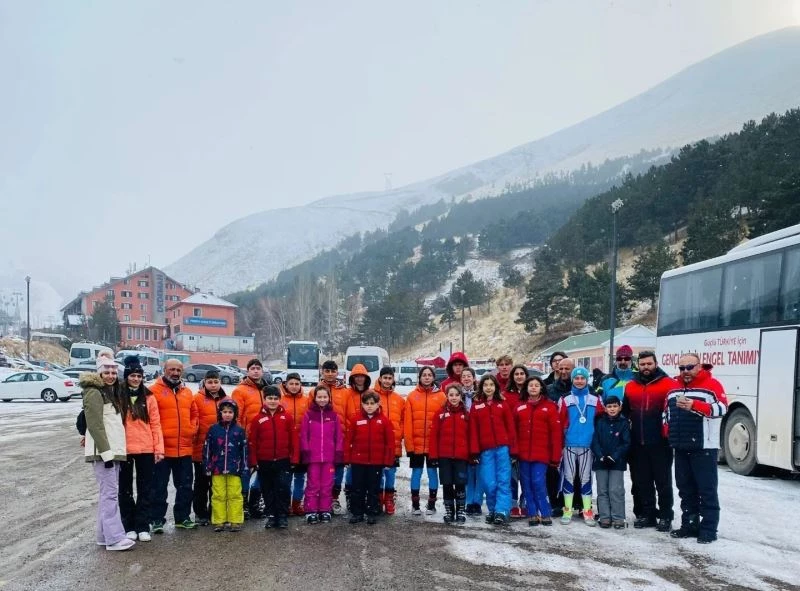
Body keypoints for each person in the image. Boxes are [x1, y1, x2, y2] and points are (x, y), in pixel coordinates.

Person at [664, 355, 728, 544]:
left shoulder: (712, 384)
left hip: (704, 447)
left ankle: (709, 528)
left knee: (706, 489)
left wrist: (695, 405)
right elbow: (665, 412)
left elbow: (723, 409)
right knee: (685, 489)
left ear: (699, 366)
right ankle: (689, 525)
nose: (685, 371)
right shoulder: (673, 387)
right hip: (681, 446)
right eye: (682, 368)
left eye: (689, 367)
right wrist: (668, 429)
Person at [622, 351, 679, 531]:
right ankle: (648, 514)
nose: (646, 367)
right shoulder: (631, 386)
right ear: (638, 365)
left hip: (661, 442)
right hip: (638, 442)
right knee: (642, 481)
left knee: (663, 482)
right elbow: (624, 412)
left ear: (656, 363)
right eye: (643, 364)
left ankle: (665, 515)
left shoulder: (669, 384)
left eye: (649, 364)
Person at [82, 357, 134, 551]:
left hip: (113, 452)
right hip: (105, 454)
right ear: (99, 373)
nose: (111, 376)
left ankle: (103, 536)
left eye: (113, 372)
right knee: (110, 495)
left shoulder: (110, 392)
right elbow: (95, 425)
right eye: (106, 372)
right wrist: (106, 453)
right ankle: (114, 539)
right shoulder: (94, 392)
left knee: (108, 494)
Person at [119, 356, 164, 542]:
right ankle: (128, 525)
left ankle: (142, 525)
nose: (136, 379)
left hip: (146, 448)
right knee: (125, 488)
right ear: (127, 376)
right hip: (124, 448)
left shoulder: (149, 396)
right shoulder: (118, 394)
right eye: (132, 375)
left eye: (139, 376)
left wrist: (158, 448)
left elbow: (155, 424)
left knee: (146, 489)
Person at [150, 359, 199, 532]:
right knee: (158, 487)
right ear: (164, 370)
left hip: (184, 449)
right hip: (162, 450)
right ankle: (156, 520)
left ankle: (183, 517)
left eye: (178, 370)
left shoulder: (187, 392)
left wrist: (192, 429)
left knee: (185, 486)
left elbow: (194, 413)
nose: (175, 372)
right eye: (172, 369)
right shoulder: (153, 391)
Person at [558, 366, 604, 526]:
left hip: (587, 445)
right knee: (569, 477)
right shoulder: (565, 399)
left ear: (587, 380)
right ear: (572, 380)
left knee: (585, 478)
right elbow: (560, 422)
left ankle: (587, 510)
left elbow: (600, 421)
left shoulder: (595, 399)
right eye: (576, 378)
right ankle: (567, 509)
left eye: (582, 378)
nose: (579, 381)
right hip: (569, 444)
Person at [469, 374, 517, 526]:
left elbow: (511, 429)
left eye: (491, 385)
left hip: (503, 449)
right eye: (486, 385)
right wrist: (474, 451)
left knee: (503, 480)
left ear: (496, 387)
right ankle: (492, 509)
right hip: (486, 451)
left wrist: (514, 450)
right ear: (481, 387)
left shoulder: (502, 404)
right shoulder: (476, 406)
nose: (488, 387)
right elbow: (473, 431)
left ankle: (501, 510)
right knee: (489, 482)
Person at [514, 376, 561, 526]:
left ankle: (545, 512)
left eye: (536, 385)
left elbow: (556, 433)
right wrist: (514, 452)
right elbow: (513, 432)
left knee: (538, 482)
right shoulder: (519, 407)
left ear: (541, 388)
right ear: (526, 388)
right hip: (523, 454)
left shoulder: (550, 407)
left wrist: (555, 456)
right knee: (526, 484)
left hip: (541, 454)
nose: (533, 388)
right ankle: (532, 513)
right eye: (530, 385)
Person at [248, 385, 295, 530]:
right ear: (265, 399)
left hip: (283, 460)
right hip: (264, 461)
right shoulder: (257, 419)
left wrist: (294, 458)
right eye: (270, 398)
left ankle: (282, 516)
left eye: (275, 398)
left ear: (279, 400)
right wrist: (254, 461)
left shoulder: (287, 418)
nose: (273, 401)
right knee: (268, 490)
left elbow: (294, 440)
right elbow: (253, 442)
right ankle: (271, 516)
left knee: (283, 488)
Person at [345, 391, 395, 525]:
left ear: (378, 404)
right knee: (357, 488)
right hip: (358, 461)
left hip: (376, 462)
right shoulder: (356, 420)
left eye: (372, 403)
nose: (369, 406)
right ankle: (357, 513)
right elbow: (348, 440)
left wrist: (388, 461)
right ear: (362, 404)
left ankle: (372, 512)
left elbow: (390, 443)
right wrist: (347, 458)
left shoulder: (384, 421)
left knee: (373, 488)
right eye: (366, 403)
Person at [403, 366, 446, 515]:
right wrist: (409, 445)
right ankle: (415, 504)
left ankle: (431, 504)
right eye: (424, 375)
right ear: (420, 377)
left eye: (429, 375)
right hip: (416, 445)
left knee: (433, 473)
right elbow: (407, 423)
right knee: (416, 473)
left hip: (433, 445)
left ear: (433, 377)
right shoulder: (411, 396)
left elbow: (444, 422)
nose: (427, 377)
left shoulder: (442, 397)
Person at [299, 385, 344, 524]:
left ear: (329, 398)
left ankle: (325, 509)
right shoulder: (308, 415)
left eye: (325, 397)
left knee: (326, 485)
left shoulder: (334, 415)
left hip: (329, 458)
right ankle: (311, 510)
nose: (322, 399)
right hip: (313, 457)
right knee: (313, 485)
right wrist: (305, 452)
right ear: (315, 398)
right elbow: (303, 435)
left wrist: (338, 453)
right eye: (320, 397)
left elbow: (339, 436)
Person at [231, 358, 269, 519]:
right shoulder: (240, 390)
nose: (255, 371)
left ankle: (255, 502)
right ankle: (243, 504)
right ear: (248, 371)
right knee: (246, 472)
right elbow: (235, 416)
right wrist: (239, 436)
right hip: (246, 438)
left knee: (263, 472)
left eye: (258, 368)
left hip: (265, 439)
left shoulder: (268, 389)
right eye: (252, 368)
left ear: (262, 371)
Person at [203, 398, 248, 532]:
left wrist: (244, 466)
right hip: (217, 468)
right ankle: (219, 521)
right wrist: (207, 465)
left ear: (235, 414)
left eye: (230, 412)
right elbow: (207, 449)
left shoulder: (239, 431)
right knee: (218, 495)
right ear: (220, 413)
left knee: (235, 495)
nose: (227, 414)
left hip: (234, 469)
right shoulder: (213, 430)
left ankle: (235, 521)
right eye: (224, 412)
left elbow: (244, 450)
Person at [191, 370, 228, 527]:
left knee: (217, 484)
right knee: (201, 483)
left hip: (220, 450)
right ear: (204, 383)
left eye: (216, 382)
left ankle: (215, 511)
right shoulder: (196, 399)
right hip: (201, 449)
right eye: (210, 382)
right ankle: (200, 513)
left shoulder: (227, 400)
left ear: (220, 382)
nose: (213, 385)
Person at [429, 384, 470, 524]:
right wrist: (433, 456)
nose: (454, 398)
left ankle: (460, 510)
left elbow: (470, 436)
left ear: (461, 396)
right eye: (451, 395)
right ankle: (449, 510)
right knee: (447, 484)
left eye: (456, 395)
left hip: (461, 456)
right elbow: (434, 436)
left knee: (460, 484)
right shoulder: (440, 414)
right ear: (446, 396)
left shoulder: (466, 414)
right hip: (444, 456)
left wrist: (471, 454)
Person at [591, 395, 631, 529]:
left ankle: (618, 517)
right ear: (605, 408)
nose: (612, 409)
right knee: (602, 490)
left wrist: (614, 456)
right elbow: (595, 440)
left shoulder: (624, 423)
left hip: (616, 462)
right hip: (601, 461)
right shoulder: (600, 422)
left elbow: (626, 443)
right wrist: (600, 455)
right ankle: (605, 517)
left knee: (615, 489)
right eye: (609, 406)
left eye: (615, 406)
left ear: (619, 407)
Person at [317, 360, 349, 513]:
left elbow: (349, 415)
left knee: (338, 470)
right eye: (327, 371)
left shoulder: (345, 392)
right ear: (322, 372)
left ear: (337, 372)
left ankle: (334, 498)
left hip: (340, 438)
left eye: (333, 371)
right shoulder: (315, 391)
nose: (330, 374)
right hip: (322, 439)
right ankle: (322, 498)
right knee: (323, 470)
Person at [373, 366, 405, 515]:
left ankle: (389, 499)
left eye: (389, 378)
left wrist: (400, 433)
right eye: (384, 377)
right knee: (378, 473)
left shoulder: (399, 399)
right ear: (380, 379)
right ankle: (378, 500)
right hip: (377, 444)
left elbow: (403, 420)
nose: (386, 380)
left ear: (393, 380)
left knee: (391, 473)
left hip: (394, 445)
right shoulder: (372, 396)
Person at [546, 357, 574, 515]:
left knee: (573, 472)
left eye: (567, 369)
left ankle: (572, 502)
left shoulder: (583, 388)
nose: (563, 372)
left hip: (575, 437)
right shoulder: (549, 389)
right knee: (553, 471)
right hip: (554, 437)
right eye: (561, 368)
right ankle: (555, 502)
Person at [342, 363, 373, 513]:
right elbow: (343, 412)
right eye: (356, 377)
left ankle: (367, 499)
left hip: (367, 437)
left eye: (362, 376)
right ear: (352, 378)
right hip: (351, 434)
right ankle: (350, 496)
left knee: (367, 470)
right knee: (351, 470)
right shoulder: (346, 394)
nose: (359, 379)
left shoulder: (371, 393)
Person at [279, 372, 309, 517]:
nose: (294, 386)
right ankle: (286, 505)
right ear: (286, 384)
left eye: (297, 384)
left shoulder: (307, 400)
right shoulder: (280, 400)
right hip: (286, 445)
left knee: (300, 476)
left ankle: (297, 503)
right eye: (291, 383)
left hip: (302, 444)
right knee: (286, 477)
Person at [504, 364, 529, 518]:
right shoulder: (506, 395)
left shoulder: (533, 392)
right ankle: (513, 504)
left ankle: (524, 501)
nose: (519, 376)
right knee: (512, 475)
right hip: (511, 440)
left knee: (526, 474)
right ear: (512, 377)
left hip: (528, 440)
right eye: (516, 374)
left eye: (522, 373)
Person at [460, 367, 484, 516]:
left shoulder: (480, 396)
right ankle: (469, 502)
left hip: (480, 437)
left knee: (479, 472)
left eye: (469, 376)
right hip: (463, 438)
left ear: (474, 378)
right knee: (468, 472)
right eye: (464, 377)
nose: (467, 379)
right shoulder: (457, 395)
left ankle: (478, 501)